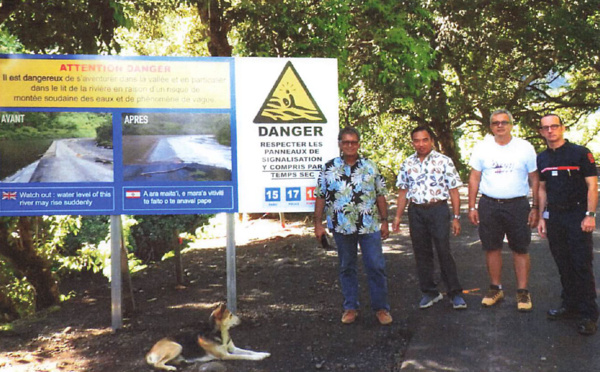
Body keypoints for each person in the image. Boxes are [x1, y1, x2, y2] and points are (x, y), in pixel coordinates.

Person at [314, 126, 392, 325]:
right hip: (342, 227)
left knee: (375, 266)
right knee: (346, 267)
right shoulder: (329, 168)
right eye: (346, 142)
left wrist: (385, 221)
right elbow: (321, 197)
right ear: (340, 144)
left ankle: (381, 308)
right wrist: (317, 224)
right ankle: (350, 307)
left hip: (369, 226)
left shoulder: (371, 167)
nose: (350, 146)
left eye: (353, 142)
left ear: (358, 144)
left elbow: (380, 195)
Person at [467, 109, 539, 312]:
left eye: (504, 122)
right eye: (496, 122)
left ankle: (523, 292)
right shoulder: (482, 148)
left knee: (520, 248)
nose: (500, 126)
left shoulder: (524, 147)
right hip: (489, 204)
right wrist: (472, 206)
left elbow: (535, 178)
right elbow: (474, 177)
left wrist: (535, 207)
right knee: (491, 247)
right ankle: (495, 288)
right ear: (490, 126)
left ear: (511, 125)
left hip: (517, 205)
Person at [536, 113, 599, 335]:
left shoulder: (580, 153)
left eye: (554, 126)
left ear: (562, 128)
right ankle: (570, 305)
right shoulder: (542, 158)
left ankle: (589, 314)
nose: (550, 131)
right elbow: (542, 189)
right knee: (563, 262)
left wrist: (590, 214)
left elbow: (592, 186)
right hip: (555, 217)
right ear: (542, 132)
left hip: (577, 215)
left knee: (581, 263)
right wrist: (542, 216)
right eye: (546, 128)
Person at [392, 126, 466, 310]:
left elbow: (454, 190)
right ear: (412, 143)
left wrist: (456, 217)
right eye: (416, 140)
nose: (421, 144)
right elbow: (403, 191)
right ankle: (430, 292)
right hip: (416, 211)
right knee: (421, 252)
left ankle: (455, 293)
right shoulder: (407, 163)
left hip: (438, 209)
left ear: (431, 140)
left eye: (424, 140)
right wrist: (397, 217)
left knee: (443, 250)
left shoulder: (444, 161)